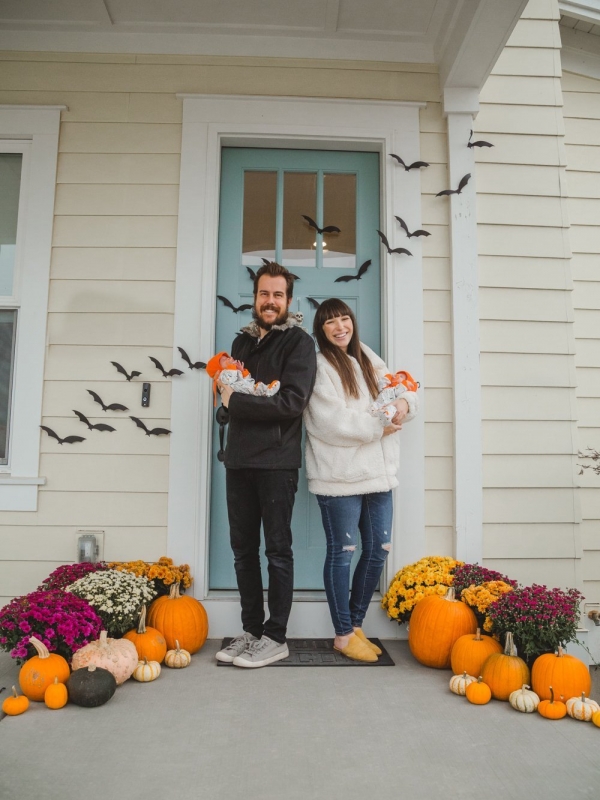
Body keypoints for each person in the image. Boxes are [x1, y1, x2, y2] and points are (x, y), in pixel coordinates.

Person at [215, 262, 317, 668]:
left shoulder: (298, 343)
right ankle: (251, 631)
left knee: (277, 551)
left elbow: (292, 403)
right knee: (242, 551)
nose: (269, 301)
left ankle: (276, 636)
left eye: (277, 295)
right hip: (238, 460)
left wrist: (234, 403)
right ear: (255, 298)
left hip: (276, 463)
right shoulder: (241, 344)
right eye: (263, 294)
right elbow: (225, 396)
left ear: (288, 301)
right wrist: (224, 408)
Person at [304, 298, 418, 662]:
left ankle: (355, 625)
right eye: (330, 323)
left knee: (378, 550)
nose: (340, 327)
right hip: (341, 475)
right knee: (343, 553)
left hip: (378, 474)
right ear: (321, 330)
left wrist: (405, 404)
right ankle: (342, 634)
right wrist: (377, 425)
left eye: (344, 319)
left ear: (352, 320)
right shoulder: (320, 365)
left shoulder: (366, 355)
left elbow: (397, 386)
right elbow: (328, 420)